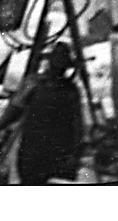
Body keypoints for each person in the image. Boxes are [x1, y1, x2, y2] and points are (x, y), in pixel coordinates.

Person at [14, 42, 83, 184]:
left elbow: (77, 125)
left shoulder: (70, 91)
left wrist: (74, 154)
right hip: (35, 152)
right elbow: (15, 108)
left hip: (52, 154)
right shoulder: (35, 84)